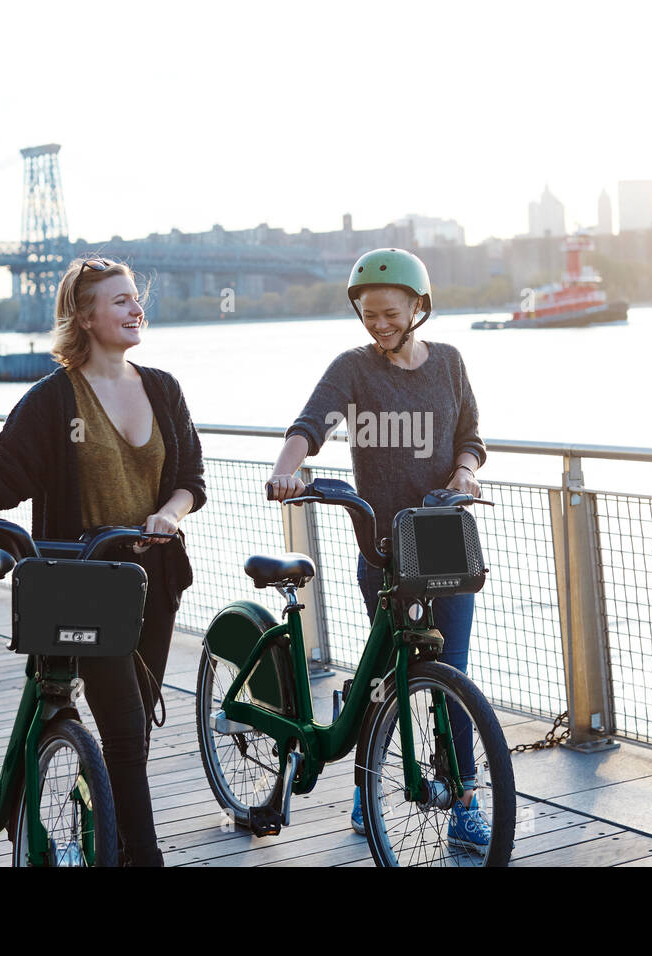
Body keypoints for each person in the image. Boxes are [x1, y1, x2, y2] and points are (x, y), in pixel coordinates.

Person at [0, 256, 205, 866]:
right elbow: (2, 473)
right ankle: (141, 857)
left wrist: (169, 516)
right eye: (120, 300)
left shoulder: (163, 387)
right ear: (84, 315)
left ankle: (108, 839)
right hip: (81, 582)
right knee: (123, 732)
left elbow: (188, 479)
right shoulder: (53, 399)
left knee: (133, 735)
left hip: (154, 580)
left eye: (135, 298)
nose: (135, 308)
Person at [265, 247, 491, 853]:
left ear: (419, 306)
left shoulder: (448, 362)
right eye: (368, 314)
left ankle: (464, 802)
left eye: (390, 312)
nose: (379, 324)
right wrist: (287, 471)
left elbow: (470, 435)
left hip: (444, 543)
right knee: (389, 680)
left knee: (452, 677)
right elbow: (308, 426)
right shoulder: (353, 369)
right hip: (386, 549)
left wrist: (465, 472)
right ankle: (370, 792)